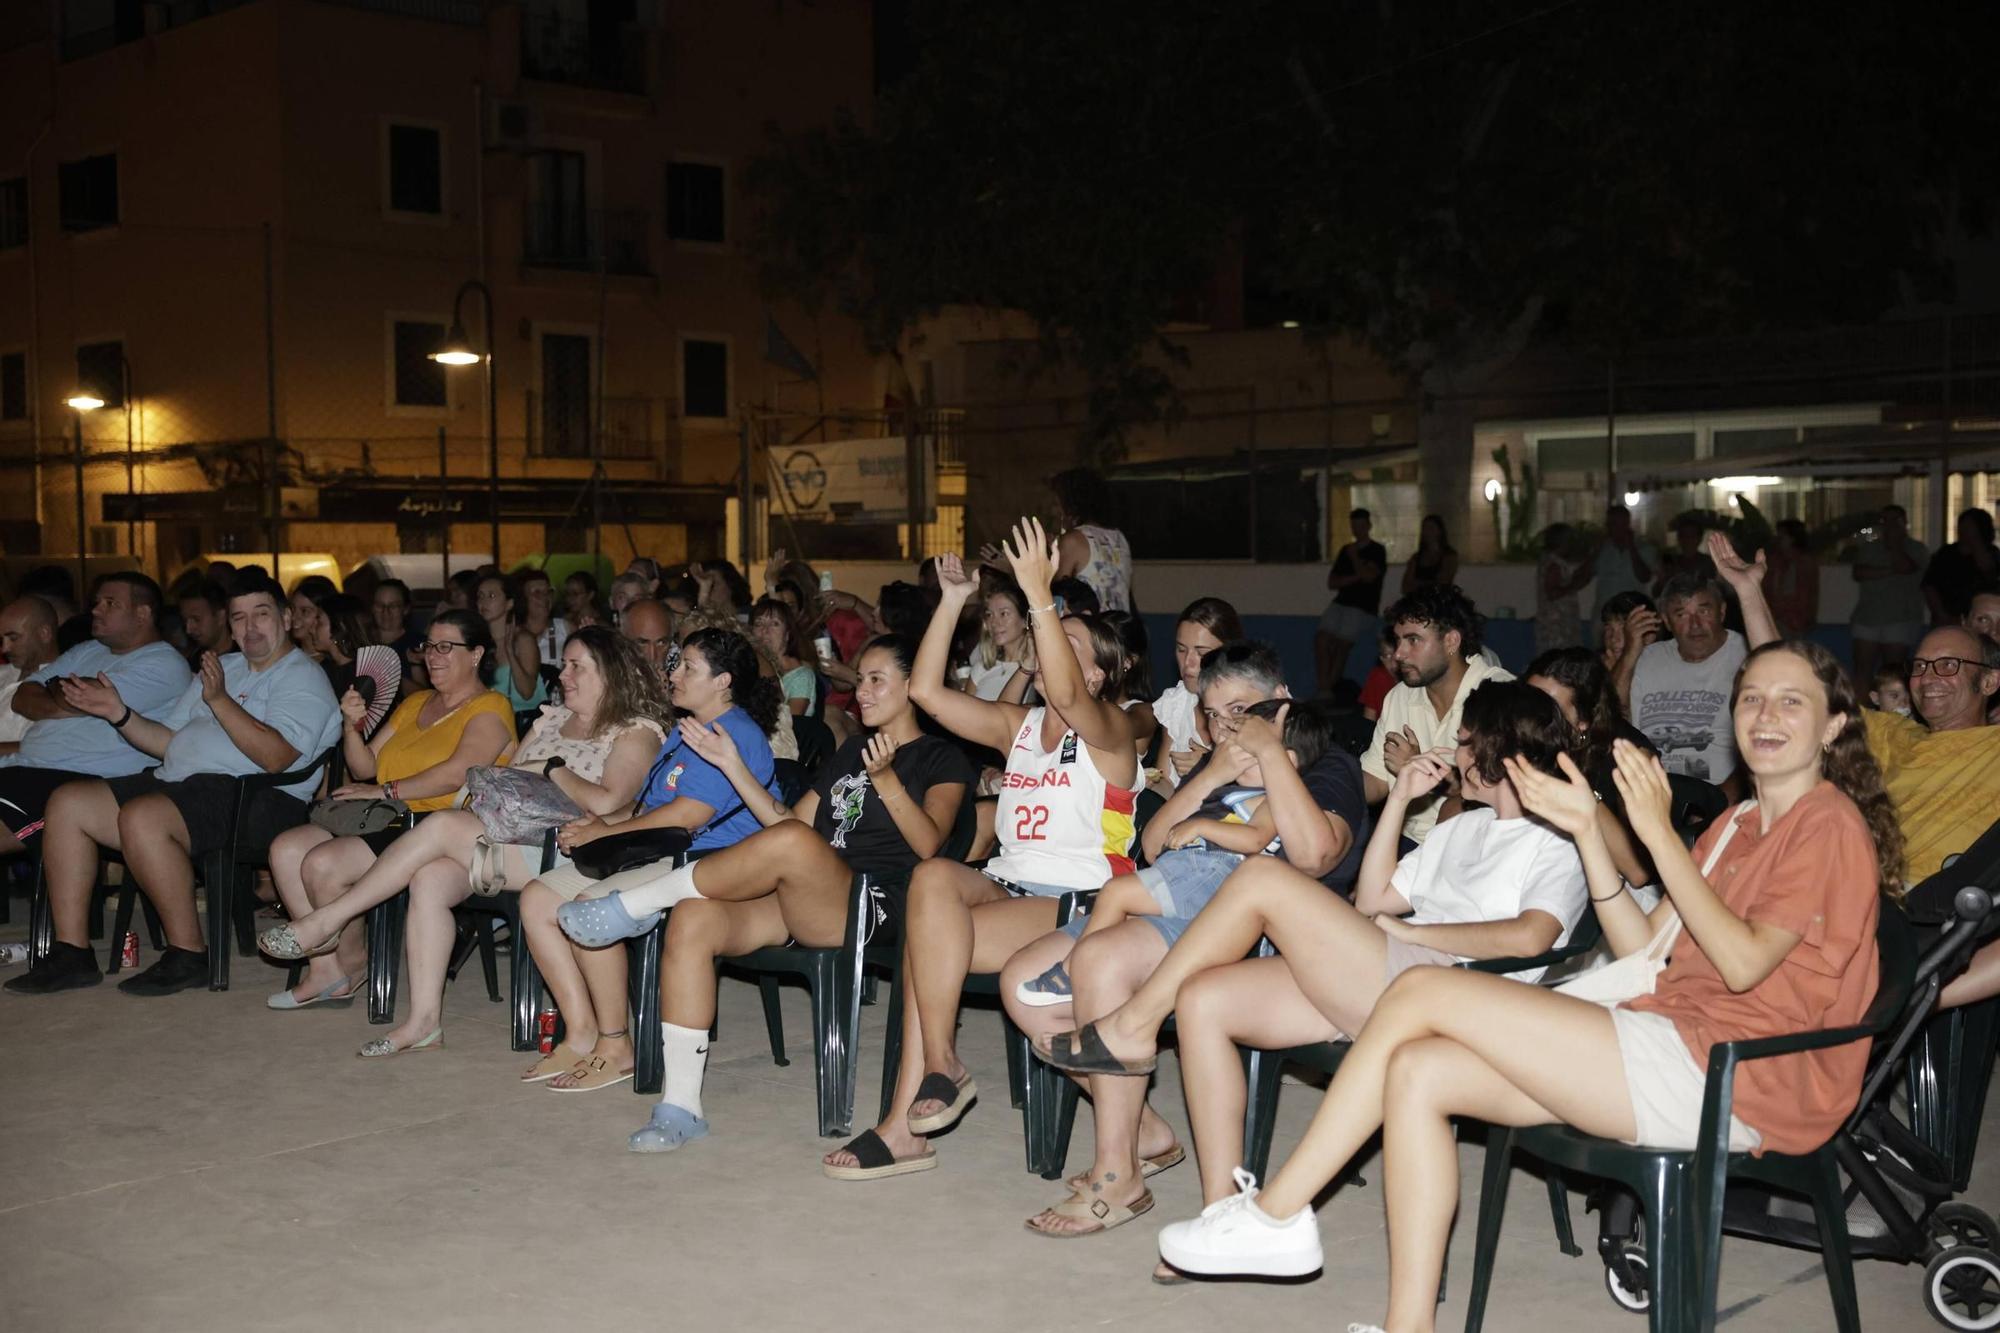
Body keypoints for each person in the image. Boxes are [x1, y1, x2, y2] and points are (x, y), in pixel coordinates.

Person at [1142, 640, 1895, 1321]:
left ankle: (1277, 1213)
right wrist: (1587, 831)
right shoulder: (1735, 824)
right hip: (1671, 1035)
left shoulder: (1827, 825)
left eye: (1791, 700)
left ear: (1833, 725)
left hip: (1743, 1077)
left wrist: (1659, 834)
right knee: (1418, 1069)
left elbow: (1740, 964)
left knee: (1421, 993)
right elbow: (1645, 951)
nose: (1766, 714)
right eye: (1752, 697)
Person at [1031, 681, 1590, 1258]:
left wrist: (1420, 933)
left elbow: (1532, 936)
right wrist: (1399, 800)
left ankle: (1132, 1025)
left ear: (1497, 750)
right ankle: (1222, 1218)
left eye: (1467, 742)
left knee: (1263, 878)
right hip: (1389, 973)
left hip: (1461, 997)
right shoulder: (1458, 828)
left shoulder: (1560, 839)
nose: (1456, 754)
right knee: (1204, 997)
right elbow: (1373, 900)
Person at [817, 521, 1141, 1178]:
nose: (1056, 653)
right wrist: (953, 600)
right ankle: (943, 1064)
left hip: (1082, 902)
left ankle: (902, 1124)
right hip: (1008, 885)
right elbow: (929, 693)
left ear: (1102, 674)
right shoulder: (1016, 726)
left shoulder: (1112, 734)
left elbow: (1073, 695)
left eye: (1073, 647)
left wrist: (1039, 595)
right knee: (933, 879)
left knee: (925, 943)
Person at [576, 635, 972, 1151]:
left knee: (787, 845)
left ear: (913, 689)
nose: (862, 693)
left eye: (877, 680)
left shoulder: (942, 759)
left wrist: (888, 779)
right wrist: (730, 762)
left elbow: (928, 846)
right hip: (810, 895)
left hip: (878, 903)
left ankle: (639, 901)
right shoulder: (851, 749)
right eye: (861, 679)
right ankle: (681, 1107)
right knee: (696, 919)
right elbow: (787, 822)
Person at [1003, 681, 1367, 1236]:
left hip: (1232, 928)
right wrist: (1215, 774)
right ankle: (1144, 1130)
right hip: (1166, 892)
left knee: (1100, 962)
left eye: (1237, 715)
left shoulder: (1324, 765)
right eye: (1214, 715)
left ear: (1277, 697)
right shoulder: (1226, 768)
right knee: (1023, 981)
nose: (1222, 729)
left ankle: (1116, 1172)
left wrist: (1266, 755)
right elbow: (1151, 846)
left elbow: (1313, 856)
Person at [258, 628, 666, 1057]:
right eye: (564, 664)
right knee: (430, 878)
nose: (563, 674)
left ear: (611, 674)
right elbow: (510, 776)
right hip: (508, 835)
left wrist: (553, 769)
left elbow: (609, 801)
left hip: (569, 849)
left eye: (576, 666)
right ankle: (423, 1024)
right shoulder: (552, 719)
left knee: (440, 827)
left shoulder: (634, 731)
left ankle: (327, 921)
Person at [5, 575, 340, 996]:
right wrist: (118, 713)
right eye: (239, 617)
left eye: (262, 614)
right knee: (68, 802)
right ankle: (72, 953)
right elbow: (167, 742)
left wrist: (220, 701)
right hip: (181, 784)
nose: (250, 628)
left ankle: (188, 953)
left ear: (286, 618)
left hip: (258, 797)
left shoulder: (301, 676)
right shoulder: (226, 667)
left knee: (144, 816)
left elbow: (276, 758)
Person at [516, 630, 783, 1085]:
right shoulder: (684, 730)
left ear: (723, 681)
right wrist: (596, 827)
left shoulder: (733, 733)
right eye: (677, 664)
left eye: (688, 668)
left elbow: (691, 815)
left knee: (589, 909)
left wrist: (611, 829)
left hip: (707, 859)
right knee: (537, 899)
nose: (673, 673)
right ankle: (581, 1033)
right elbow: (648, 808)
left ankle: (617, 1044)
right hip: (658, 850)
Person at [259, 610, 515, 1013]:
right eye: (429, 646)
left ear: (477, 653)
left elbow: (455, 774)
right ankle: (326, 971)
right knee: (286, 849)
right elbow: (366, 766)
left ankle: (355, 959)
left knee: (323, 864)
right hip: (384, 815)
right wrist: (351, 726)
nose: (433, 656)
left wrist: (382, 789)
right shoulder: (414, 704)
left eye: (446, 647)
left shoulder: (491, 707)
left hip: (435, 826)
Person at [0, 575, 192, 858]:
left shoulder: (164, 664)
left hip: (84, 781)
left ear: (143, 613)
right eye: (96, 602)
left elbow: (87, 698)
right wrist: (65, 698)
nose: (96, 610)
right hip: (26, 766)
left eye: (110, 603)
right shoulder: (87, 650)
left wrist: (55, 689)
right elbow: (22, 697)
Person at [1359, 583, 1512, 846]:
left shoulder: (1502, 695)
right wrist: (1317, 786)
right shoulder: (1400, 696)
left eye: (1413, 640)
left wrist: (1424, 771)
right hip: (1412, 842)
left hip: (1481, 844)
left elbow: (1497, 794)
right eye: (1398, 640)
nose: (1398, 654)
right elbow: (1375, 780)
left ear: (1451, 641)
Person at [1630, 531, 1777, 797]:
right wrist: (1630, 651)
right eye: (1681, 614)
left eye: (1704, 611)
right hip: (1653, 796)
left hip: (1724, 797)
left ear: (1722, 612)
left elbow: (1780, 668)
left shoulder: (1746, 653)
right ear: (1666, 621)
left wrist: (1749, 590)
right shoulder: (1649, 658)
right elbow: (1615, 723)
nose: (1695, 624)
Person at [1152, 598, 1244, 791]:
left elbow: (1267, 788)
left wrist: (1210, 768)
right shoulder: (1178, 702)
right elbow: (1165, 784)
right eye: (1181, 649)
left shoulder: (1252, 703)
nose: (1188, 663)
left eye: (1201, 653)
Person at [1846, 503, 1926, 693]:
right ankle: (1861, 715)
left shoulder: (1916, 548)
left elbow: (1907, 568)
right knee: (1862, 672)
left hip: (1900, 618)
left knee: (1893, 673)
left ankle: (1894, 716)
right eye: (1885, 520)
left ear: (1904, 522)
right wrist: (1891, 571)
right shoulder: (1870, 547)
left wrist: (1895, 545)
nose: (1889, 525)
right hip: (1867, 617)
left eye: (1894, 520)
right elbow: (1859, 572)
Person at [1316, 509, 1387, 694]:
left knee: (1342, 645)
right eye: (1354, 526)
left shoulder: (1377, 550)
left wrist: (1355, 558)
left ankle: (1330, 690)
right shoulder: (1345, 550)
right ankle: (1324, 688)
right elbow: (1332, 582)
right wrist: (1357, 576)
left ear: (1369, 526)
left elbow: (1369, 578)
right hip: (1341, 602)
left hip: (1363, 607)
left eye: (1361, 526)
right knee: (1322, 639)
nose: (1358, 530)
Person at [1050, 467, 1132, 612]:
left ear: (1071, 504)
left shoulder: (1072, 541)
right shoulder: (1119, 537)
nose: (1053, 511)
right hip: (1120, 630)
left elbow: (1057, 600)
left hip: (1089, 631)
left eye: (1056, 504)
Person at [475, 572, 548, 715]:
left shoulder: (523, 640)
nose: (483, 602)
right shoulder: (478, 641)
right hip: (488, 717)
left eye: (492, 596)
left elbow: (527, 693)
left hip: (524, 719)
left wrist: (510, 653)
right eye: (480, 596)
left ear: (509, 603)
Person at [0, 596, 60, 755]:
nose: (5, 649)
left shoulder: (60, 687)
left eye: (13, 638)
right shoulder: (4, 672)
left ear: (44, 634)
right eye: (2, 639)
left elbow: (47, 748)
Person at [957, 578, 1033, 702]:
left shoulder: (1037, 670)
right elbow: (963, 717)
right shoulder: (982, 668)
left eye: (1004, 613)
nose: (994, 622)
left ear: (1025, 620)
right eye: (989, 615)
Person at [1590, 504, 1657, 642]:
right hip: (1604, 617)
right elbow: (1582, 577)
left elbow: (1644, 577)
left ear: (1628, 524)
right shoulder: (1602, 550)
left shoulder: (1644, 548)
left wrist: (1632, 548)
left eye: (1622, 523)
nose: (1618, 528)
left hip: (1633, 616)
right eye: (1613, 524)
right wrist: (1596, 550)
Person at [1925, 507, 2000, 627]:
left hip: (1979, 617)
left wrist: (1976, 543)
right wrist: (1942, 615)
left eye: (1970, 526)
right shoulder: (1946, 553)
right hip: (1946, 618)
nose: (1964, 530)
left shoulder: (1991, 552)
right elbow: (1930, 585)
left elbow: (1988, 570)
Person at [750, 596, 818, 717]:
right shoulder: (748, 667)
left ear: (787, 634)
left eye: (774, 624)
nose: (764, 630)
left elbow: (792, 719)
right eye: (758, 623)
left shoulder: (801, 676)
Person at [1533, 522, 1591, 654]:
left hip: (1556, 624)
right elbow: (1552, 593)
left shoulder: (1551, 561)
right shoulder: (1554, 564)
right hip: (1557, 626)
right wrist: (1573, 586)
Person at [1600, 589, 1660, 716]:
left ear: (1649, 635)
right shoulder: (1597, 669)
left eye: (1623, 628)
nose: (1613, 638)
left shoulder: (1663, 671)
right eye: (1609, 628)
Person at [311, 592, 374, 704]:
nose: (312, 629)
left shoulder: (367, 675)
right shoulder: (324, 668)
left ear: (340, 626)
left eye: (319, 622)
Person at [1766, 518, 1819, 638]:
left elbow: (1810, 593)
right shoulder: (1775, 560)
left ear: (1792, 538)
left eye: (1782, 535)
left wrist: (1808, 616)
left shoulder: (1804, 562)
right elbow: (1768, 588)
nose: (1778, 538)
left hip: (1795, 620)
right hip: (1776, 618)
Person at [1650, 515, 1714, 595]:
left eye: (1692, 535)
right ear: (1679, 538)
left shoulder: (1707, 562)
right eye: (1684, 535)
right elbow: (1656, 592)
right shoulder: (1670, 562)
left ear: (1699, 538)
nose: (1688, 539)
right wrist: (1664, 578)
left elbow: (1711, 589)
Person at [519, 567, 569, 668]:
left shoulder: (565, 629)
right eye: (537, 593)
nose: (545, 597)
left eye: (548, 592)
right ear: (523, 598)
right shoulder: (513, 634)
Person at [178, 580, 234, 669]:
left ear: (221, 617)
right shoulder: (192, 662)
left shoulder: (246, 658)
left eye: (196, 619)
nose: (188, 629)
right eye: (185, 621)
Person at [1400, 515, 1458, 596]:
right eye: (1424, 528)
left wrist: (1418, 583)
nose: (1427, 532)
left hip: (1439, 601)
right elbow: (1405, 587)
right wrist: (1430, 583)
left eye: (1431, 528)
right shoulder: (1416, 558)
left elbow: (1443, 582)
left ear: (1440, 531)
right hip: (1418, 602)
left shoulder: (1449, 556)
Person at [372, 578, 420, 661]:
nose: (386, 611)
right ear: (372, 608)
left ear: (406, 609)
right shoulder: (359, 644)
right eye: (380, 605)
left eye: (393, 606)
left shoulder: (418, 646)